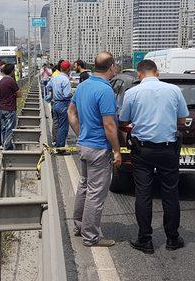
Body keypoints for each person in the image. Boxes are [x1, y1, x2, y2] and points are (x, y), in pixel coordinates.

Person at [119, 59, 189, 254]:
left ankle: (145, 239)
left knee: (143, 192)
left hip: (143, 150)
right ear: (156, 72)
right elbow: (182, 120)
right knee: (170, 192)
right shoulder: (174, 90)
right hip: (168, 149)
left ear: (139, 74)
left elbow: (124, 120)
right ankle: (173, 238)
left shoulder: (132, 93)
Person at [67, 51, 122, 247]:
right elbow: (109, 125)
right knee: (95, 194)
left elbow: (71, 113)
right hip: (99, 148)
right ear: (111, 66)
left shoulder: (82, 86)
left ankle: (79, 226)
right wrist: (116, 151)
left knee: (84, 187)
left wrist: (81, 133)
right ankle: (91, 236)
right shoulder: (105, 90)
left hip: (83, 145)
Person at [48, 60, 73, 149]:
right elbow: (67, 94)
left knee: (57, 124)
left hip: (55, 103)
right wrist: (72, 94)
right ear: (69, 69)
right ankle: (60, 147)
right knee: (63, 126)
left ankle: (56, 142)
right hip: (63, 104)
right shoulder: (66, 80)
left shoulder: (55, 77)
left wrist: (53, 93)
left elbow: (48, 86)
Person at [0, 64, 22, 150]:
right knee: (10, 128)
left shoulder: (1, 81)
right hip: (10, 108)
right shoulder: (11, 81)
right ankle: (8, 147)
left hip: (2, 108)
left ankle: (4, 143)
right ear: (12, 71)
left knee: (4, 128)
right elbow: (19, 94)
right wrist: (14, 94)